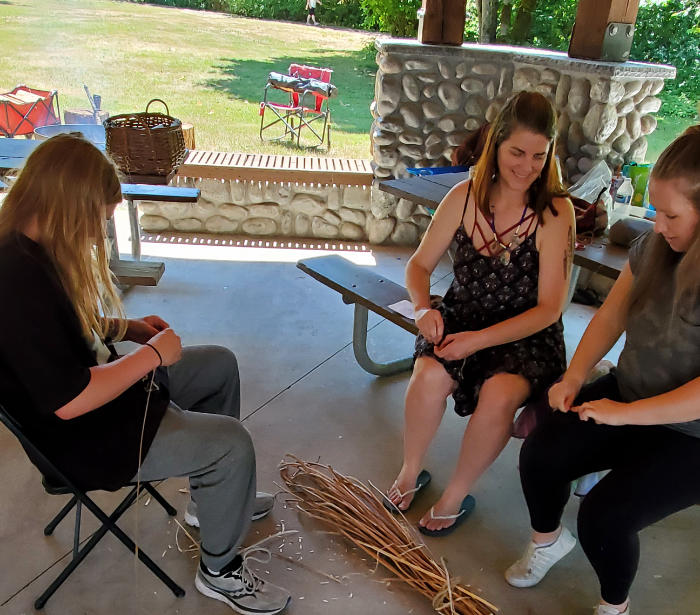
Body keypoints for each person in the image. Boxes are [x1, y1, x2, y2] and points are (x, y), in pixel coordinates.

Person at [0, 134, 290, 615]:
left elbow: (60, 332)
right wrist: (152, 355)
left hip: (100, 398)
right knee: (230, 443)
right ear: (68, 205)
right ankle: (220, 573)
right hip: (81, 438)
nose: (101, 230)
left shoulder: (31, 246)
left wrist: (128, 328)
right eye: (99, 215)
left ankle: (208, 503)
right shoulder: (13, 280)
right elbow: (68, 400)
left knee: (218, 364)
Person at [505, 126, 700, 615]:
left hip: (691, 432)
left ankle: (615, 605)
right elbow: (611, 315)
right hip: (632, 393)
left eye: (672, 215)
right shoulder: (655, 247)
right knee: (543, 452)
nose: (658, 225)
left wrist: (623, 415)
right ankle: (548, 541)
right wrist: (574, 376)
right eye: (655, 211)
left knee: (606, 516)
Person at [386, 91, 575, 536]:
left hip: (525, 333)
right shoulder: (464, 196)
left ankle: (455, 495)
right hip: (464, 314)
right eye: (516, 152)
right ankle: (410, 470)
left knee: (499, 395)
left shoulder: (554, 211)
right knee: (428, 376)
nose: (527, 166)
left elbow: (550, 308)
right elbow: (418, 265)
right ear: (496, 143)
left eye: (538, 156)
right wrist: (421, 308)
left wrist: (477, 341)